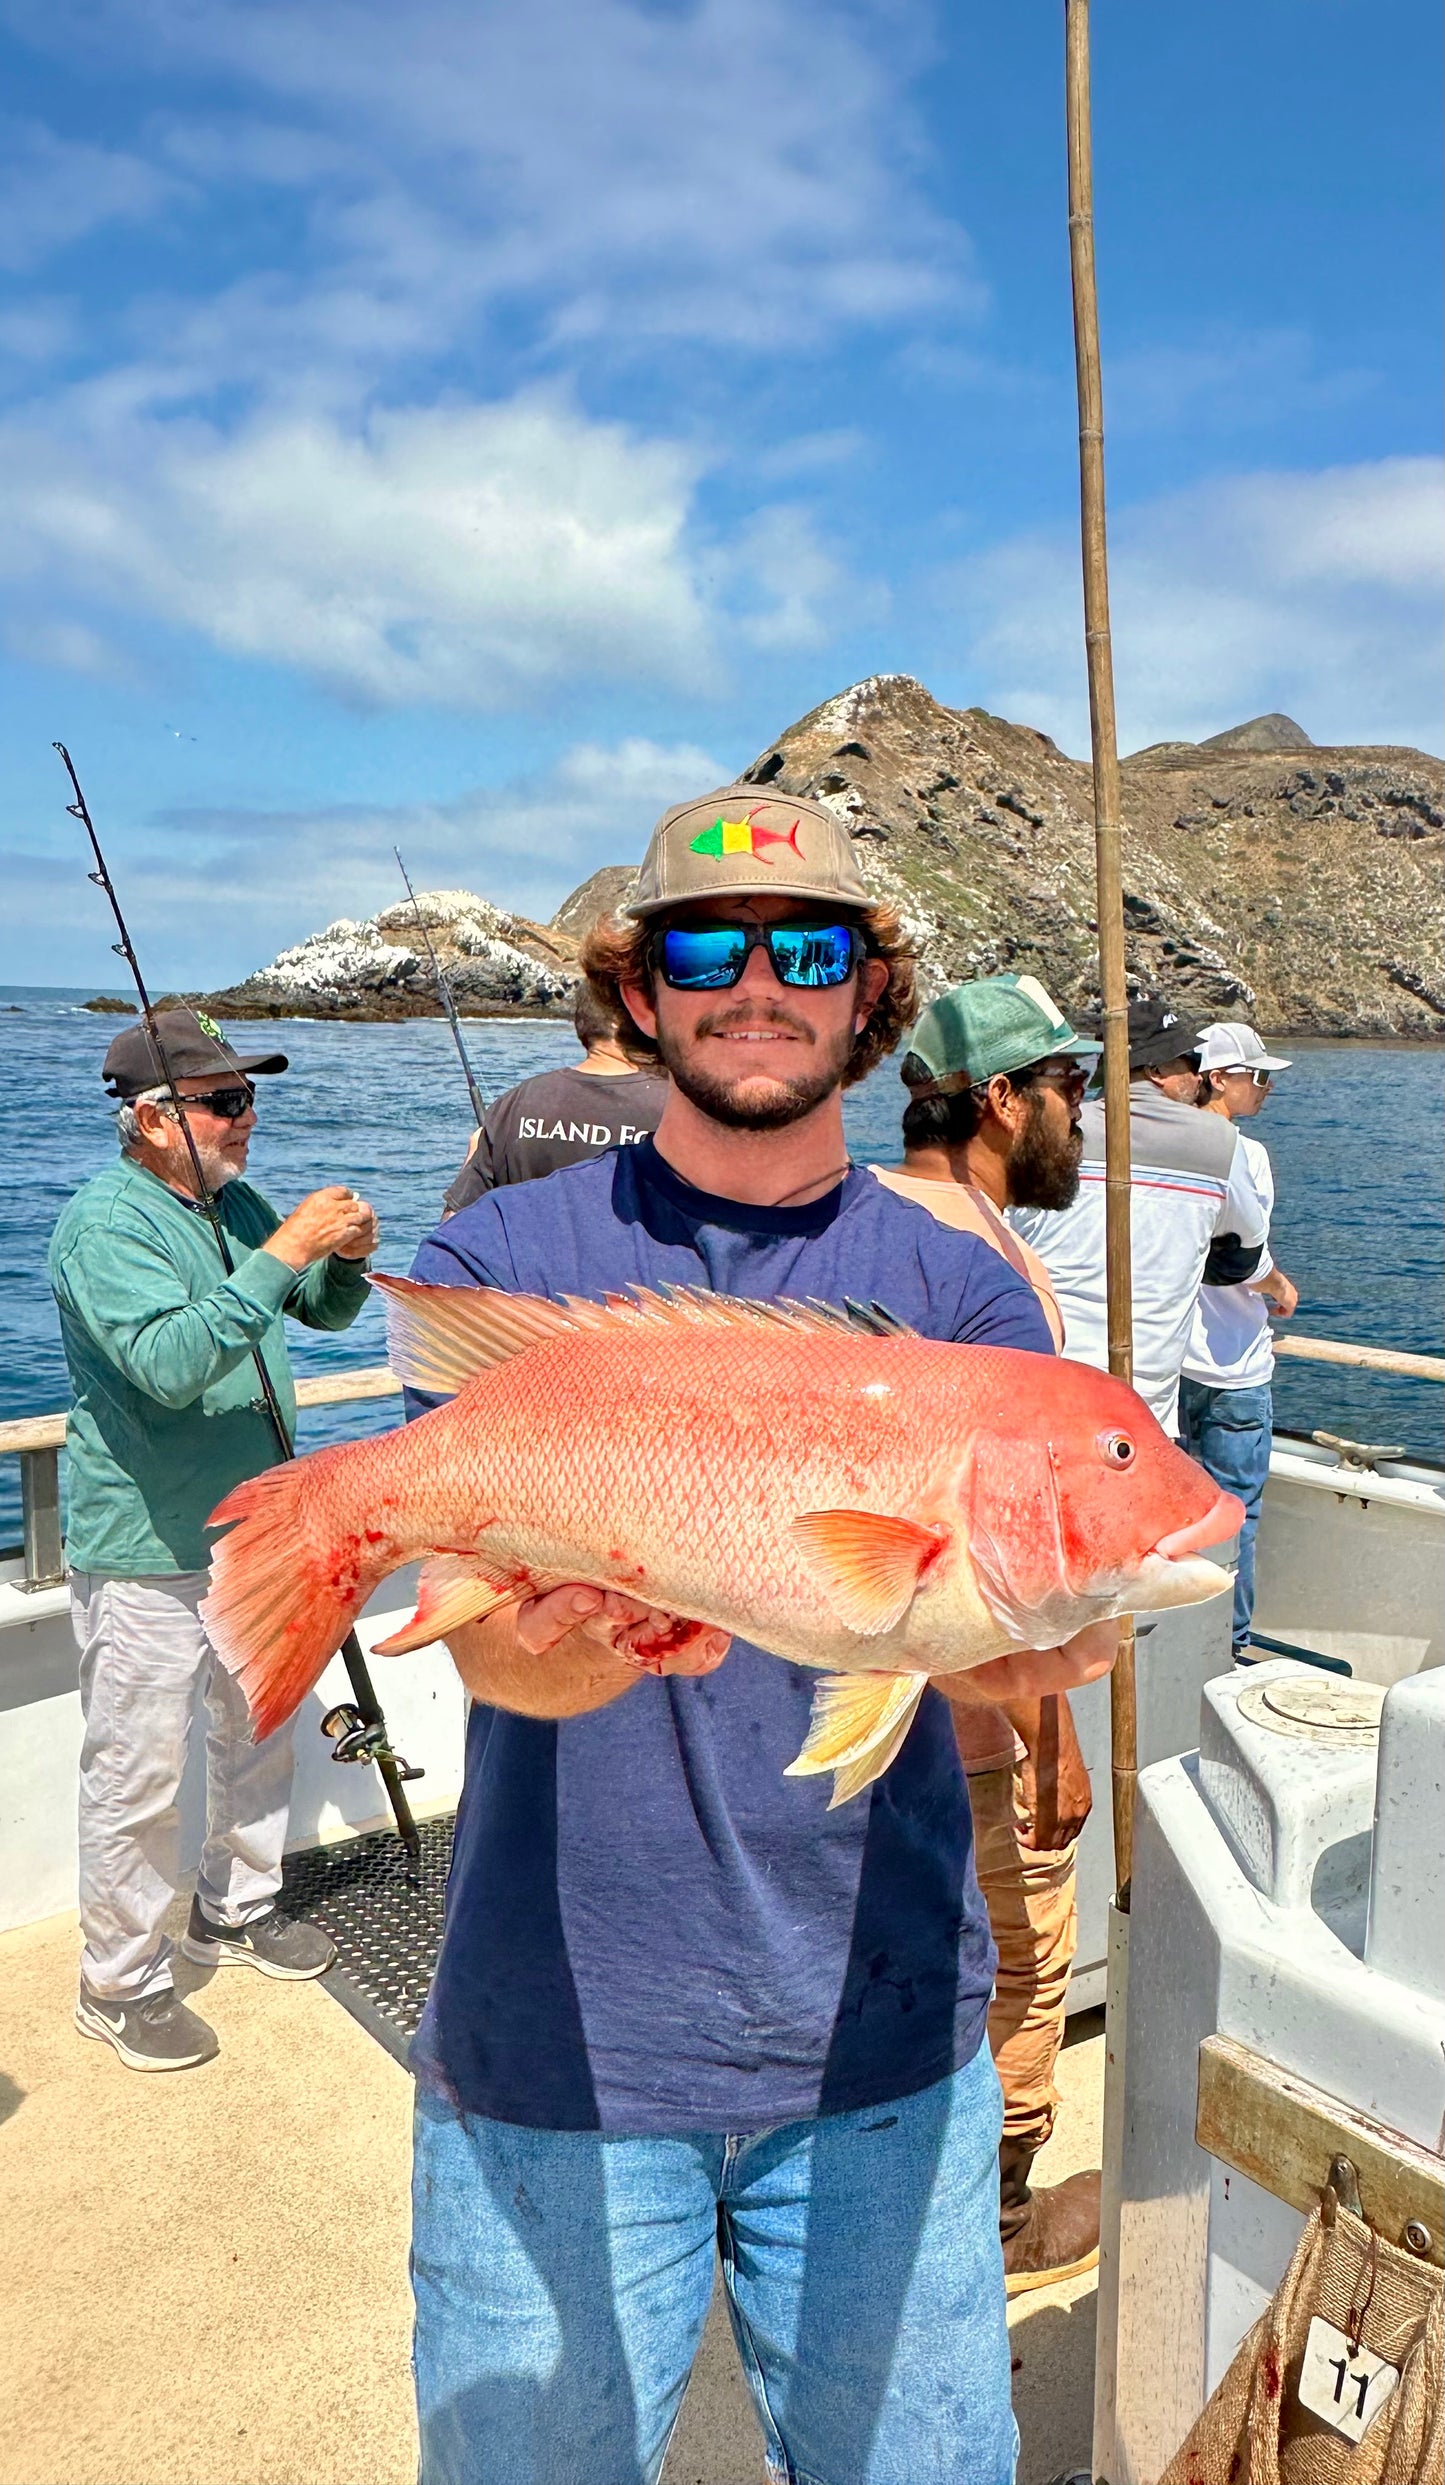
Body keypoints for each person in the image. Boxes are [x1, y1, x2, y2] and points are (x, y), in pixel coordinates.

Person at [404, 788, 1121, 2485]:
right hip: (555, 2047)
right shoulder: (507, 1253)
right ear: (639, 988)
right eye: (704, 949)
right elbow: (484, 1649)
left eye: (805, 951)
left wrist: (1027, 1647)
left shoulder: (960, 1297)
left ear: (869, 993)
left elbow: (962, 1660)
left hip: (880, 2049)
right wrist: (583, 1638)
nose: (754, 985)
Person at [48, 1007, 380, 2074]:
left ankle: (235, 1907)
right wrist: (284, 1252)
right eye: (223, 1099)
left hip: (255, 1532)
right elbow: (172, 1364)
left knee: (258, 1731)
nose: (247, 1116)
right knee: (138, 1773)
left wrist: (341, 1263)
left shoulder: (233, 1201)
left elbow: (317, 1311)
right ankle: (120, 1981)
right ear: (153, 1119)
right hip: (146, 1545)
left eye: (249, 1096)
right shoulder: (106, 1227)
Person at [876, 972, 1105, 2294]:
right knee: (1018, 1958)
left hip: (861, 1698)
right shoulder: (990, 1272)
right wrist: (1048, 1733)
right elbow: (1002, 1534)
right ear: (1003, 1099)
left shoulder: (853, 1226)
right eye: (1070, 1085)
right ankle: (1002, 2226)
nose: (1083, 1113)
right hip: (970, 1715)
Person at [1012, 994, 1270, 1437]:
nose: (1197, 1074)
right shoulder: (1219, 1144)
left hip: (1044, 1381)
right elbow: (1244, 1252)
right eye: (1188, 1061)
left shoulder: (1049, 1133)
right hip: (1143, 1408)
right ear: (1156, 1071)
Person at [1179, 1022, 1297, 1655]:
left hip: (1171, 1365)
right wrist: (1281, 1288)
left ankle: (1176, 1642)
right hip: (1233, 1367)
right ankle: (1229, 1643)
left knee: (1174, 1513)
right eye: (1258, 1076)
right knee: (1237, 1512)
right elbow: (1244, 1256)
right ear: (1219, 1079)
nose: (1267, 1088)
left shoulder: (1156, 1147)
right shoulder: (1243, 1155)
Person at [441, 984, 667, 1215]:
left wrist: (476, 1156)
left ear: (582, 1025)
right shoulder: (673, 1110)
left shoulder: (514, 1105)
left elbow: (453, 1224)